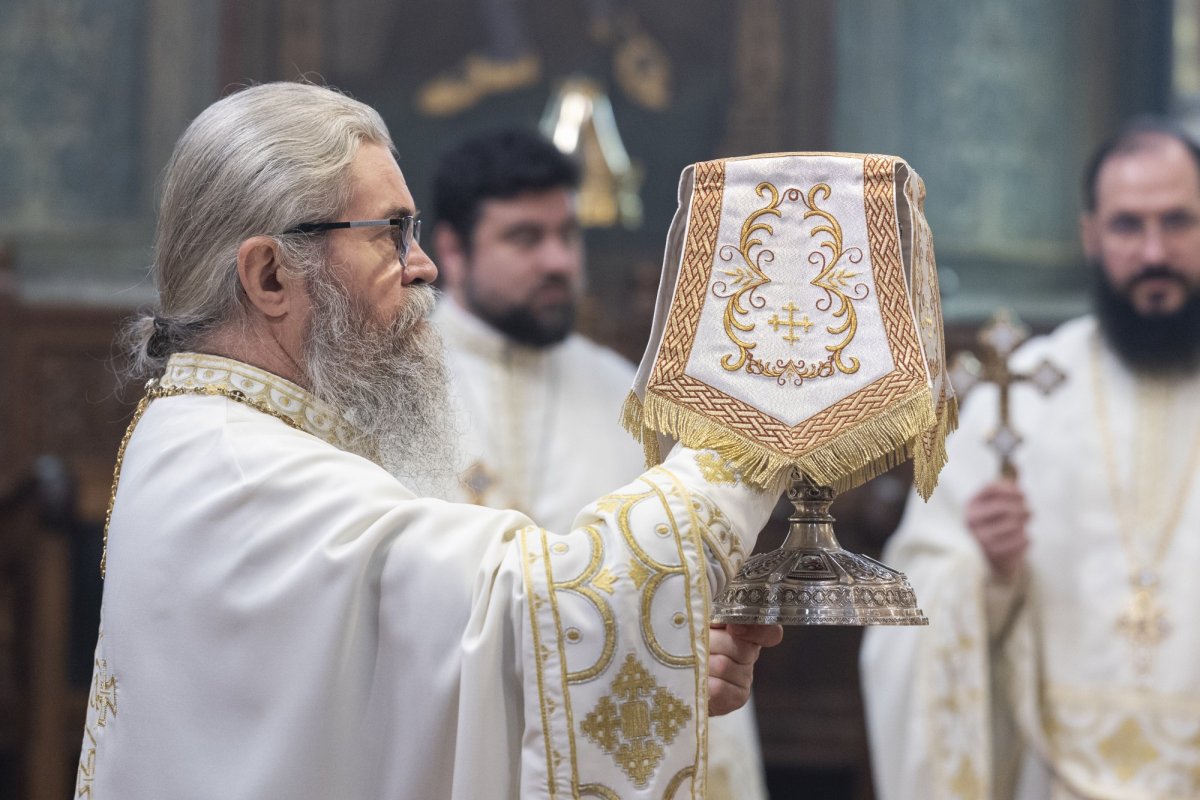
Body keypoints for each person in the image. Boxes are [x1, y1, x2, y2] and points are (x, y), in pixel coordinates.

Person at [74, 81, 786, 799]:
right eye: (389, 233)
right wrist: (755, 421)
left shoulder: (216, 428)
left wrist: (656, 654)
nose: (422, 266)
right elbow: (523, 614)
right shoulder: (237, 465)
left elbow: (406, 691)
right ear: (269, 275)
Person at [861, 117, 1200, 799]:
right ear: (1091, 237)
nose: (1154, 251)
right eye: (1128, 226)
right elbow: (911, 604)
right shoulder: (1019, 399)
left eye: (1179, 222)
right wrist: (985, 575)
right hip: (1049, 778)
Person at [429, 127, 770, 799]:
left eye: (568, 234)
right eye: (524, 238)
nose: (559, 260)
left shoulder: (628, 394)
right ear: (451, 249)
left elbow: (679, 599)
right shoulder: (389, 382)